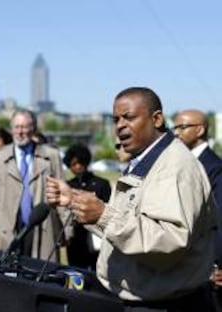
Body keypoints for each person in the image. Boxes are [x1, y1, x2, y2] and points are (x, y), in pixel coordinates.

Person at [46, 87, 215, 311]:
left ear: (156, 119)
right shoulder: (147, 160)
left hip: (166, 304)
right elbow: (127, 223)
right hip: (140, 299)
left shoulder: (174, 167)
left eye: (129, 117)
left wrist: (104, 216)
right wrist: (75, 200)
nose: (120, 126)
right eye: (116, 119)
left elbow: (169, 241)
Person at [0, 109, 70, 261]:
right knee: (9, 279)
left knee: (42, 279)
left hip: (43, 230)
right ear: (11, 129)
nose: (20, 132)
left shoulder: (51, 156)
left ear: (33, 128)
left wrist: (67, 229)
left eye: (25, 127)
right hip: (8, 231)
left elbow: (62, 195)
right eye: (17, 127)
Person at [173, 109, 222, 310]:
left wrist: (217, 265)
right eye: (174, 127)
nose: (176, 133)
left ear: (200, 130)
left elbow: (219, 219)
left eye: (182, 127)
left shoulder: (214, 167)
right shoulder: (183, 163)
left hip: (208, 267)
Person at [62, 143, 111, 270]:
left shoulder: (101, 184)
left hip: (96, 238)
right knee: (76, 273)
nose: (77, 167)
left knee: (97, 273)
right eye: (73, 164)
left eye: (80, 163)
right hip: (75, 239)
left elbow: (109, 209)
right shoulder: (68, 185)